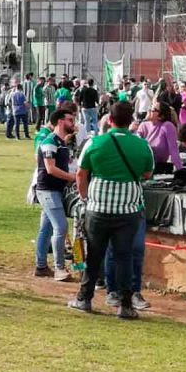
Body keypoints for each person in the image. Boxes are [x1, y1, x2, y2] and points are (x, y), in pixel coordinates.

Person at [68, 102, 154, 319]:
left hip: (98, 208)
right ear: (131, 121)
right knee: (124, 256)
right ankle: (125, 305)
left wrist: (85, 197)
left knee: (94, 255)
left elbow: (81, 174)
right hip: (128, 209)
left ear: (110, 120)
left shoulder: (95, 142)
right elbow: (147, 174)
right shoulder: (142, 145)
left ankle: (84, 298)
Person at [34, 109, 76, 282]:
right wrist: (72, 178)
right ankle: (59, 268)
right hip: (48, 191)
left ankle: (41, 266)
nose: (73, 123)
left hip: (55, 191)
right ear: (60, 121)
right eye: (70, 120)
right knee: (61, 227)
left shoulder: (62, 143)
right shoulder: (50, 141)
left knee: (46, 229)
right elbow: (50, 169)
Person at [136, 103, 182, 173]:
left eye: (153, 110)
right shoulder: (143, 126)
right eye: (150, 108)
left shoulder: (167, 126)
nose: (149, 110)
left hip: (159, 167)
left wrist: (179, 170)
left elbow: (173, 150)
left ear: (161, 116)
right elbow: (136, 146)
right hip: (142, 166)